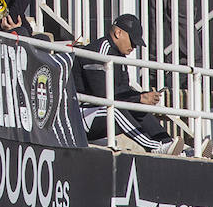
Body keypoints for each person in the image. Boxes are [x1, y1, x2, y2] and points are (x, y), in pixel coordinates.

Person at [76, 14, 178, 153]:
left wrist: (141, 97)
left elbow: (123, 90)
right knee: (116, 110)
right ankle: (154, 147)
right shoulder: (99, 51)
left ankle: (167, 142)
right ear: (118, 33)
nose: (134, 46)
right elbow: (102, 94)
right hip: (82, 115)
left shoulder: (119, 56)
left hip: (98, 112)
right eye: (133, 41)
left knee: (136, 106)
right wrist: (139, 97)